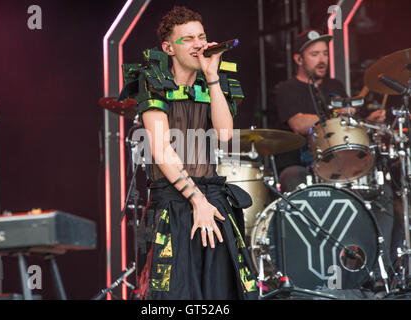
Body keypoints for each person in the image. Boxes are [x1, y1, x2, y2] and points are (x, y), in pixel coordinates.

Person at [118, 6, 258, 300]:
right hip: (174, 202)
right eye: (188, 39)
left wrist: (212, 76)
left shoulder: (216, 82)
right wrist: (197, 201)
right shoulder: (152, 81)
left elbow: (224, 136)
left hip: (214, 199)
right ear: (168, 47)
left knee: (221, 294)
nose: (198, 44)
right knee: (176, 294)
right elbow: (160, 149)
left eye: (202, 36)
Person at [274, 28, 401, 293]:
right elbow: (298, 123)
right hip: (302, 166)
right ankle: (301, 275)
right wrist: (337, 111)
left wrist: (368, 120)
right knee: (291, 178)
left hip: (342, 168)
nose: (322, 59)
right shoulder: (287, 88)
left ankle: (379, 273)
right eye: (314, 54)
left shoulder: (334, 87)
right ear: (299, 59)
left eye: (324, 54)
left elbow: (349, 125)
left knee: (384, 193)